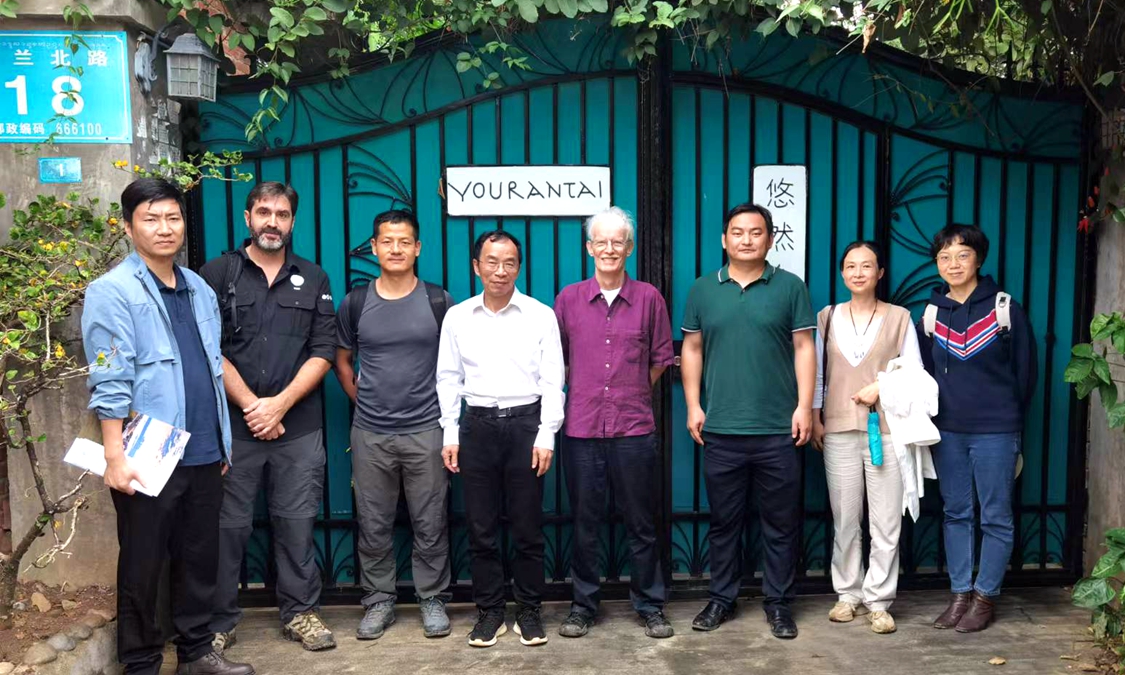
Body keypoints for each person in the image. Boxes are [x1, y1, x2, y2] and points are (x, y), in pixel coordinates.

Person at [82, 178, 254, 675]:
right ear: (128, 227)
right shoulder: (111, 292)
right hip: (147, 455)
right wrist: (115, 456)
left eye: (173, 218)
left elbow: (211, 365)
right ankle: (141, 662)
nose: (164, 228)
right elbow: (110, 378)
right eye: (151, 219)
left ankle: (196, 653)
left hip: (202, 449)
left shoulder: (198, 288)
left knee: (199, 559)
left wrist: (221, 442)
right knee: (144, 564)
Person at [199, 182, 337, 652]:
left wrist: (278, 405)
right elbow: (208, 348)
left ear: (293, 221)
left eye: (281, 214)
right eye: (263, 212)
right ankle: (219, 621)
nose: (272, 222)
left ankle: (300, 613)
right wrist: (253, 407)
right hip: (233, 429)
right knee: (227, 528)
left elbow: (323, 350)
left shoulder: (314, 277)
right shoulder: (216, 274)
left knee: (297, 523)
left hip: (296, 427)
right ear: (247, 217)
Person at [680, 203, 816, 640]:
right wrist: (693, 405)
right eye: (737, 232)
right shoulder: (703, 289)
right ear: (724, 239)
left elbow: (804, 347)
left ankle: (778, 603)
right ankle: (722, 598)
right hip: (721, 430)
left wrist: (804, 406)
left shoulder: (790, 287)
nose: (746, 239)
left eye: (756, 232)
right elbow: (692, 349)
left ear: (770, 239)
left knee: (780, 523)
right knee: (725, 523)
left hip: (779, 429)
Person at [436, 230, 565, 648]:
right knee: (481, 527)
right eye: (491, 262)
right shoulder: (458, 317)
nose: (500, 270)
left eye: (509, 262)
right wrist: (450, 431)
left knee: (527, 526)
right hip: (477, 426)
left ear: (519, 267)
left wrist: (546, 434)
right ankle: (489, 611)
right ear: (476, 266)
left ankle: (528, 609)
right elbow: (448, 377)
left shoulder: (540, 315)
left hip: (526, 425)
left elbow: (553, 380)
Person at [553, 207, 675, 640]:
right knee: (584, 523)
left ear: (630, 248)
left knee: (641, 522)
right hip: (582, 428)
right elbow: (558, 361)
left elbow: (660, 359)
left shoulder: (649, 298)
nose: (609, 249)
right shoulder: (568, 299)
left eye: (617, 241)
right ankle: (583, 607)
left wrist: (630, 391)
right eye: (601, 241)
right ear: (589, 248)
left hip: (634, 429)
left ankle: (650, 605)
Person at [335, 210, 454, 640]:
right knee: (373, 520)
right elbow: (342, 360)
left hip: (427, 429)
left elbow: (455, 365)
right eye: (387, 241)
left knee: (430, 519)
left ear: (417, 248)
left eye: (405, 241)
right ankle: (379, 599)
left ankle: (432, 597)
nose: (396, 249)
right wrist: (365, 401)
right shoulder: (356, 302)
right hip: (370, 432)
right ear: (374, 247)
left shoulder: (439, 301)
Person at [918, 224, 1037, 633]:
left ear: (979, 259)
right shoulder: (931, 315)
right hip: (948, 432)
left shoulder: (1004, 308)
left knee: (996, 516)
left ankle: (985, 597)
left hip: (996, 431)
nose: (953, 264)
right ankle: (959, 595)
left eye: (962, 255)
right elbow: (924, 376)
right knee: (956, 513)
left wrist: (1007, 419)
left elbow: (1025, 374)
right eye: (945, 257)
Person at [810, 241, 922, 635]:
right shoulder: (827, 317)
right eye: (851, 266)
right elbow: (818, 373)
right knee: (845, 518)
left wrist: (881, 386)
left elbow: (913, 372)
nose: (858, 273)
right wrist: (816, 417)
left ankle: (879, 600)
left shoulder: (899, 318)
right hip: (838, 428)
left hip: (886, 430)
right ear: (842, 273)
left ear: (880, 273)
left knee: (886, 521)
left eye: (867, 266)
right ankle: (847, 594)